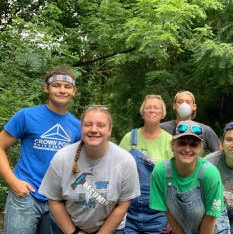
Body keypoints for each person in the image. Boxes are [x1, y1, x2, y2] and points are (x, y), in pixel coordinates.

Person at [0, 67, 81, 233]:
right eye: (56, 85)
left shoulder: (77, 126)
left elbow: (78, 164)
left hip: (57, 201)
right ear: (46, 88)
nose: (62, 90)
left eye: (67, 87)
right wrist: (13, 182)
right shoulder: (26, 116)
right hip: (25, 196)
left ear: (74, 91)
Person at [39, 105, 140, 233]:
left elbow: (122, 205)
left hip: (111, 229)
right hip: (67, 227)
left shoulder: (126, 161)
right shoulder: (62, 158)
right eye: (88, 124)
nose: (94, 130)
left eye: (101, 125)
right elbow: (54, 200)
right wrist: (73, 232)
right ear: (81, 128)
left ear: (110, 130)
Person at [150, 120, 227, 234]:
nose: (187, 149)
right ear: (172, 145)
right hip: (182, 227)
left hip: (213, 227)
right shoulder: (160, 172)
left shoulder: (210, 173)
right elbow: (168, 213)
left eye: (193, 145)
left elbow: (210, 218)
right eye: (182, 143)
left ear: (201, 149)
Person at [119, 94, 173, 233]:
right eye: (148, 107)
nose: (152, 110)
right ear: (142, 112)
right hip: (129, 211)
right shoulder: (129, 138)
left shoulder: (171, 141)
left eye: (156, 108)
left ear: (163, 114)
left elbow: (176, 180)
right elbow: (117, 173)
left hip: (159, 213)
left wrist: (173, 217)